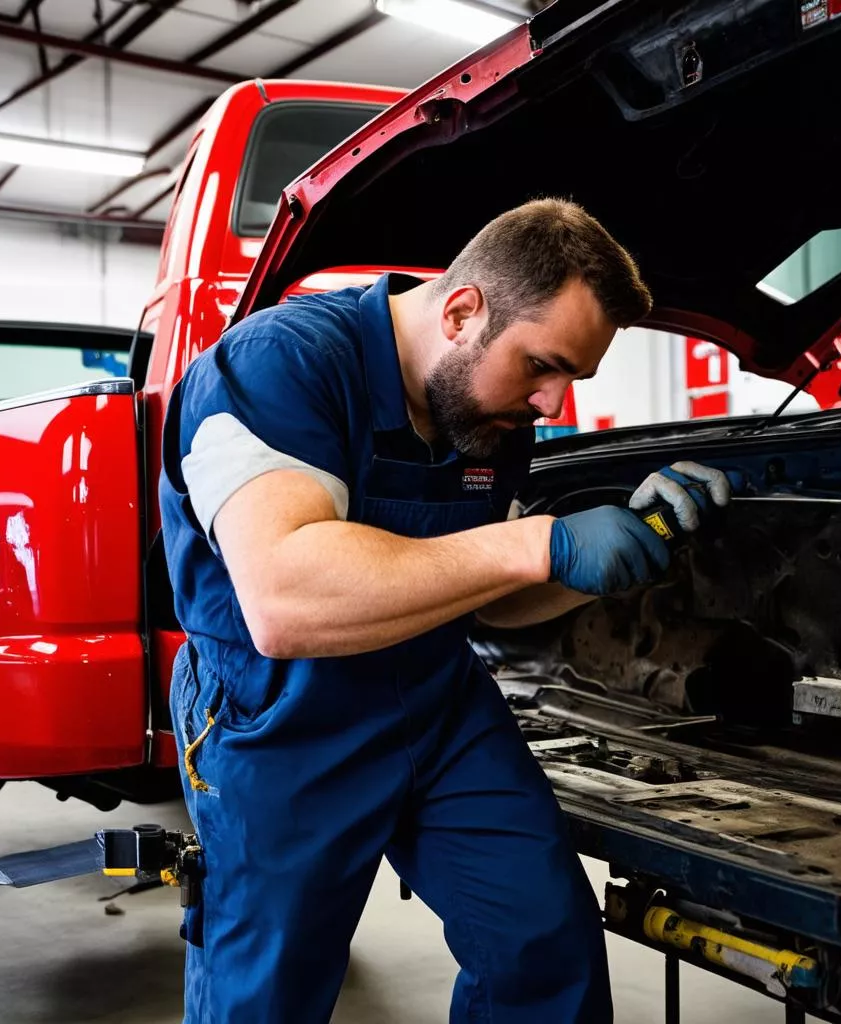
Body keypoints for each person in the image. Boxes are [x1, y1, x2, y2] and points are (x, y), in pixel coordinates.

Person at [159, 197, 731, 1023]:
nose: (553, 405)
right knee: (268, 995)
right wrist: (540, 543)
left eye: (572, 379)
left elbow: (486, 602)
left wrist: (613, 551)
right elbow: (284, 599)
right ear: (462, 312)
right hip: (281, 718)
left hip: (436, 702)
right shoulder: (281, 365)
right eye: (543, 366)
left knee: (543, 948)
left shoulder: (489, 413)